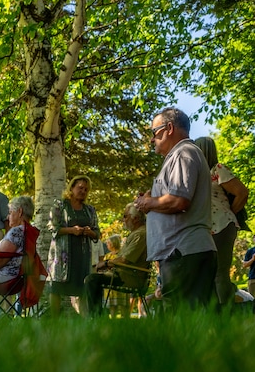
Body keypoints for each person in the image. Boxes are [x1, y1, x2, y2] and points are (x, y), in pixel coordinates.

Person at [134, 107, 217, 310]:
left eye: (154, 132)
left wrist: (147, 203)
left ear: (169, 128)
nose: (152, 139)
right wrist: (153, 200)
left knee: (182, 321)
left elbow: (179, 200)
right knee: (201, 323)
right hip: (185, 252)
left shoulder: (183, 153)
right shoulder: (180, 155)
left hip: (183, 252)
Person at [194, 136, 249, 308]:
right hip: (206, 229)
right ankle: (213, 314)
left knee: (220, 273)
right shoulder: (196, 176)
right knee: (206, 273)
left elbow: (242, 192)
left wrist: (229, 213)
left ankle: (226, 313)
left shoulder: (217, 170)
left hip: (223, 226)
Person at [46, 175, 100, 316]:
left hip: (82, 255)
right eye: (80, 188)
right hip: (62, 255)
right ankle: (54, 321)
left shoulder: (89, 210)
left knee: (82, 288)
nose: (83, 191)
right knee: (56, 287)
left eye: (86, 189)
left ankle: (84, 321)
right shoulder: (60, 205)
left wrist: (89, 232)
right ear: (72, 188)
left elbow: (97, 232)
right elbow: (52, 227)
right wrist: (71, 230)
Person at [83, 204, 149, 318]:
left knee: (91, 279)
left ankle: (94, 318)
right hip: (124, 273)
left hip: (130, 276)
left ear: (136, 218)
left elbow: (125, 259)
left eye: (125, 216)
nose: (123, 219)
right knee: (94, 277)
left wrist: (106, 263)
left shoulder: (140, 234)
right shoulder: (136, 233)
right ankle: (97, 317)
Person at [0, 196, 35, 284]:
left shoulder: (16, 232)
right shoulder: (29, 230)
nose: (8, 217)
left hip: (4, 276)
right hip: (18, 277)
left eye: (10, 212)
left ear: (19, 212)